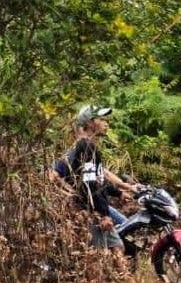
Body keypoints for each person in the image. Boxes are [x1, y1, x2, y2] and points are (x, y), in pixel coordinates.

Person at [54, 105, 131, 251]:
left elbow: (98, 179)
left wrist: (119, 192)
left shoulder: (88, 147)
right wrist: (103, 214)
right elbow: (89, 185)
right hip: (90, 211)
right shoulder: (86, 148)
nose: (106, 123)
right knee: (113, 249)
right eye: (101, 119)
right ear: (90, 123)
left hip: (92, 209)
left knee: (115, 248)